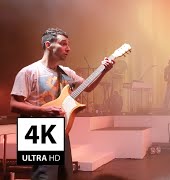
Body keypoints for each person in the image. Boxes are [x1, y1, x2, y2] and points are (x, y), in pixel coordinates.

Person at [10, 28, 114, 180]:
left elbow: (88, 87)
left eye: (68, 44)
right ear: (48, 45)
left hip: (60, 129)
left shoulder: (66, 72)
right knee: (45, 176)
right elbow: (14, 105)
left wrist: (103, 70)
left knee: (63, 175)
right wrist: (44, 111)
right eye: (63, 44)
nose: (68, 48)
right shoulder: (29, 72)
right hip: (37, 130)